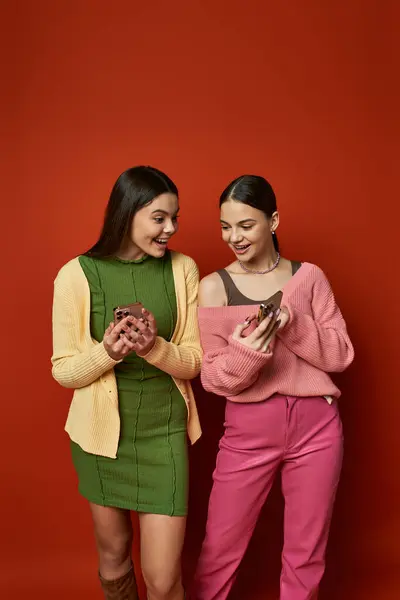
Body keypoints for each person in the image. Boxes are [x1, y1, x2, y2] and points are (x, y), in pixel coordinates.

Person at [191, 175, 354, 599]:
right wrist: (248, 352)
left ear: (273, 220)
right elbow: (212, 378)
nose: (234, 237)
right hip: (248, 432)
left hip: (317, 428)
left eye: (246, 225)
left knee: (306, 554)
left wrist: (293, 324)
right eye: (226, 227)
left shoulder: (309, 278)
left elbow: (340, 356)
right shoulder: (214, 287)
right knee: (219, 551)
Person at [51, 166, 202, 600]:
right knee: (114, 556)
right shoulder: (75, 275)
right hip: (101, 442)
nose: (170, 228)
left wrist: (154, 347)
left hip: (163, 435)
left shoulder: (183, 269)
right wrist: (108, 353)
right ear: (127, 213)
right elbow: (63, 370)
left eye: (174, 217)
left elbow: (194, 362)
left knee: (162, 578)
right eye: (159, 218)